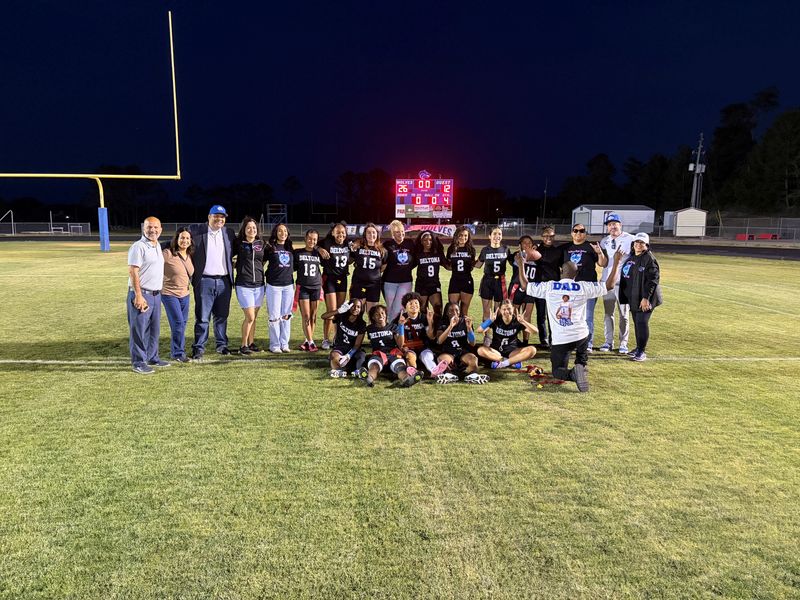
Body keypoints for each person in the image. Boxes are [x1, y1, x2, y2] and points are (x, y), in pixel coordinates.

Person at [519, 256, 606, 393]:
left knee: (558, 371)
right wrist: (618, 261)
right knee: (581, 358)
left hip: (562, 338)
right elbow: (610, 285)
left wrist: (520, 264)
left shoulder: (550, 286)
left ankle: (572, 374)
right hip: (582, 335)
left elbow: (525, 285)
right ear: (576, 275)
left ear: (561, 271)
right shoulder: (583, 286)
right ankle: (580, 367)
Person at [188, 205, 236, 359]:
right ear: (209, 216)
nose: (219, 219)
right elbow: (178, 240)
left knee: (221, 316)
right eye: (216, 216)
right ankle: (199, 347)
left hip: (224, 281)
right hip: (204, 280)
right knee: (202, 317)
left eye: (222, 217)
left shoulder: (228, 233)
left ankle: (221, 345)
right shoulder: (196, 230)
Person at [605, 232, 662, 362]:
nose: (638, 244)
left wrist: (646, 298)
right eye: (636, 242)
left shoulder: (649, 259)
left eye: (642, 243)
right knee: (637, 323)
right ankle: (638, 347)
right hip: (634, 298)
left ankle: (642, 351)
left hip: (645, 299)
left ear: (646, 245)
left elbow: (653, 280)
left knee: (642, 323)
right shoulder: (632, 257)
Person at [127, 217, 167, 374]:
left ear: (161, 229)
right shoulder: (138, 247)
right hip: (142, 294)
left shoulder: (156, 245)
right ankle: (138, 361)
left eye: (156, 227)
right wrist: (138, 295)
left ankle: (152, 357)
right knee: (139, 330)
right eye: (150, 227)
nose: (153, 230)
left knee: (154, 330)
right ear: (144, 228)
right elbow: (133, 271)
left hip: (156, 295)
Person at [561, 223, 607, 352]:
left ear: (585, 233)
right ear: (572, 233)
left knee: (587, 317)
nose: (578, 233)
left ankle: (588, 344)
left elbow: (603, 263)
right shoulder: (566, 248)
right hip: (571, 289)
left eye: (581, 231)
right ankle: (571, 342)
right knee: (571, 316)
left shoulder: (591, 247)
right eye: (575, 231)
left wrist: (599, 253)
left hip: (588, 288)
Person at [597, 213, 636, 353]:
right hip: (607, 283)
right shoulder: (604, 241)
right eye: (609, 224)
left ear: (620, 224)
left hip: (623, 284)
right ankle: (608, 342)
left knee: (624, 315)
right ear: (607, 227)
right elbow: (603, 262)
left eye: (615, 223)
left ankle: (623, 343)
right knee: (608, 314)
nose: (612, 226)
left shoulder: (630, 239)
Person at [358, 305, 421, 388]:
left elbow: (400, 344)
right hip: (378, 354)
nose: (380, 316)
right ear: (373, 317)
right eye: (377, 314)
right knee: (374, 366)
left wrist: (401, 326)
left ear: (385, 314)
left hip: (393, 353)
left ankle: (407, 380)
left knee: (400, 367)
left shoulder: (392, 327)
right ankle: (368, 379)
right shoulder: (369, 328)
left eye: (382, 313)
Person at [232, 217, 266, 355]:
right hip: (243, 284)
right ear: (244, 230)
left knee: (254, 318)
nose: (251, 230)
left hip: (259, 285)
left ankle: (251, 343)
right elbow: (227, 257)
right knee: (250, 317)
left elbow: (265, 259)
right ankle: (243, 345)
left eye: (254, 228)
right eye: (248, 228)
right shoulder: (239, 243)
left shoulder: (262, 244)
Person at [161, 227, 194, 363]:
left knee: (182, 324)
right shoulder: (168, 253)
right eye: (182, 238)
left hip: (185, 294)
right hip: (169, 294)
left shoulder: (189, 255)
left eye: (187, 238)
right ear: (176, 239)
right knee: (178, 323)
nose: (184, 240)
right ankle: (178, 353)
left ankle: (177, 350)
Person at [435, 301, 489, 384]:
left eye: (457, 310)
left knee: (473, 358)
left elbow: (472, 343)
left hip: (463, 352)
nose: (454, 313)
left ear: (459, 311)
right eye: (451, 310)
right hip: (448, 352)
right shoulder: (443, 323)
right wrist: (450, 327)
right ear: (446, 313)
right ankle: (448, 375)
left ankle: (472, 375)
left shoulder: (464, 322)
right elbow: (439, 341)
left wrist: (469, 329)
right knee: (442, 360)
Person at [476, 300, 538, 369]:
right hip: (496, 352)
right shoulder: (496, 320)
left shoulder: (517, 321)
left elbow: (535, 332)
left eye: (509, 309)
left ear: (513, 309)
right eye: (504, 309)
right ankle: (510, 362)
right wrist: (490, 320)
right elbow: (479, 330)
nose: (507, 311)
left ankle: (502, 363)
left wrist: (523, 322)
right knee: (480, 350)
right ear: (500, 310)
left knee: (532, 350)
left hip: (513, 352)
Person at [474, 226, 516, 325]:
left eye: (499, 234)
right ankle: (487, 336)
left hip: (500, 282)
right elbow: (478, 265)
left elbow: (514, 263)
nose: (497, 236)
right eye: (494, 234)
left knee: (498, 310)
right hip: (487, 281)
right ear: (490, 236)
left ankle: (497, 335)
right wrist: (467, 259)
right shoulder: (485, 250)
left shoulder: (506, 249)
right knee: (486, 311)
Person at [393, 292, 441, 377]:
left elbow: (432, 336)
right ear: (405, 307)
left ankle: (436, 372)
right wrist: (401, 326)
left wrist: (430, 323)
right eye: (410, 303)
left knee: (427, 357)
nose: (414, 305)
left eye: (416, 303)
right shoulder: (399, 319)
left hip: (423, 347)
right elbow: (400, 344)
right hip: (408, 348)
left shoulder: (424, 317)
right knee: (410, 357)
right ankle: (414, 374)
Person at [320, 222, 351, 350]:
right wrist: (319, 249)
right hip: (330, 278)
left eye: (343, 232)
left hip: (342, 279)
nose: (341, 234)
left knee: (340, 311)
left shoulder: (348, 244)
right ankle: (326, 339)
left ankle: (337, 337)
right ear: (332, 232)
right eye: (338, 232)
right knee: (332, 310)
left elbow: (354, 255)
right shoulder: (326, 242)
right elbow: (314, 244)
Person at [264, 223, 295, 353]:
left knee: (286, 315)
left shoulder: (290, 248)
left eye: (285, 231)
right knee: (274, 316)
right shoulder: (270, 247)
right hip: (274, 286)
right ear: (275, 233)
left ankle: (284, 343)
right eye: (280, 231)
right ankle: (275, 344)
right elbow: (260, 262)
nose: (283, 233)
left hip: (288, 286)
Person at [532, 226, 564, 348]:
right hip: (540, 286)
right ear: (542, 237)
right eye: (546, 236)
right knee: (541, 315)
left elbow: (563, 267)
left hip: (554, 287)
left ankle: (553, 339)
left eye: (551, 236)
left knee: (553, 315)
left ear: (554, 236)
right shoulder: (536, 249)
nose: (548, 238)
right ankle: (543, 340)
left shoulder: (558, 251)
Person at [507, 235, 540, 346]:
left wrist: (535, 252)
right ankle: (513, 339)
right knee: (514, 314)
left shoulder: (536, 255)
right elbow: (516, 258)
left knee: (527, 316)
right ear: (520, 245)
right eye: (524, 243)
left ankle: (525, 342)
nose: (527, 244)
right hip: (516, 287)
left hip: (530, 287)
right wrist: (533, 252)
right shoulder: (518, 255)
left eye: (529, 242)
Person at [294, 229, 324, 351]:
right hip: (303, 287)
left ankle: (307, 340)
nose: (312, 241)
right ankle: (311, 342)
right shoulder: (298, 253)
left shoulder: (318, 253)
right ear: (305, 239)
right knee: (306, 315)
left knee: (313, 316)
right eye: (310, 238)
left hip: (316, 287)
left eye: (314, 239)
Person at [322, 298, 367, 378]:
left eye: (358, 307)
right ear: (349, 306)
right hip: (340, 347)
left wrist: (349, 355)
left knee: (361, 356)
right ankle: (339, 371)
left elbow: (357, 345)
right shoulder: (341, 316)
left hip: (353, 350)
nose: (355, 309)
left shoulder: (362, 324)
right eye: (353, 306)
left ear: (361, 309)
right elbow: (324, 316)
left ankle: (359, 371)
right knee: (333, 355)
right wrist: (338, 311)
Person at [382, 220, 416, 322]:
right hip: (389, 281)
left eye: (402, 231)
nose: (400, 234)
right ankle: (392, 331)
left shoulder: (410, 244)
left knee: (399, 308)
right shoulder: (387, 244)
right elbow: (383, 261)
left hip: (405, 281)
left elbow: (414, 260)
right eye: (397, 232)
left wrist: (405, 268)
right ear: (392, 233)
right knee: (390, 307)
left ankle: (393, 331)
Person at [349, 223, 386, 313]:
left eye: (373, 232)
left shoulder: (382, 250)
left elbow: (384, 266)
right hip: (358, 283)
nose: (371, 235)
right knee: (356, 313)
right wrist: (355, 244)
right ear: (365, 234)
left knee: (372, 314)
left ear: (377, 234)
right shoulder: (358, 247)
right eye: (369, 233)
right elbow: (350, 260)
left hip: (374, 285)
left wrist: (372, 274)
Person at [413, 231, 447, 320]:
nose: (428, 242)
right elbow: (408, 266)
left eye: (430, 240)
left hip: (434, 284)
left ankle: (437, 328)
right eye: (425, 240)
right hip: (421, 285)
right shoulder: (418, 254)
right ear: (421, 241)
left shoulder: (437, 253)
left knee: (438, 307)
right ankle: (425, 330)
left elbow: (448, 266)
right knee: (422, 309)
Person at [446, 226, 476, 316]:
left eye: (466, 236)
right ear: (456, 236)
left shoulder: (471, 250)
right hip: (455, 281)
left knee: (464, 311)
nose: (463, 238)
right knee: (452, 310)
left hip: (467, 281)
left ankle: (464, 329)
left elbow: (472, 266)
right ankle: (453, 329)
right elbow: (449, 265)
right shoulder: (451, 249)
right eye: (461, 235)